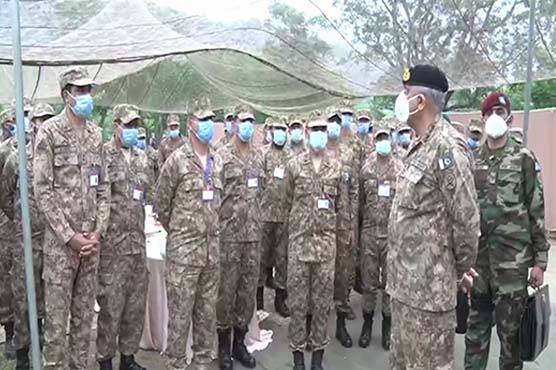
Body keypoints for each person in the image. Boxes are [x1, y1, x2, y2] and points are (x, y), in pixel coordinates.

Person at [388, 65, 480, 370]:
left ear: (421, 101)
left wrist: (455, 271)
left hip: (429, 298)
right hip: (404, 291)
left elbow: (466, 223)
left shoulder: (447, 149)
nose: (401, 99)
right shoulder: (418, 145)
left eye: (406, 93)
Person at [464, 92, 550, 370]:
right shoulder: (472, 158)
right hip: (478, 263)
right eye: (490, 113)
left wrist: (540, 261)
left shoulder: (523, 157)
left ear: (509, 117)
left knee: (510, 338)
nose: (495, 118)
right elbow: (463, 210)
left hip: (512, 264)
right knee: (475, 333)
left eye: (501, 112)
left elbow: (536, 207)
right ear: (483, 118)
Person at [33, 67, 111, 370]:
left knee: (83, 325)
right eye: (80, 91)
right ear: (67, 96)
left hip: (90, 247)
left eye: (89, 90)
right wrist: (70, 237)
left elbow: (104, 187)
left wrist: (97, 232)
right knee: (56, 328)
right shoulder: (49, 133)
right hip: (61, 251)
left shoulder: (96, 134)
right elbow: (43, 191)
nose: (86, 96)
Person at [155, 99, 220, 370]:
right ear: (190, 124)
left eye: (210, 120)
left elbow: (221, 202)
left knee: (206, 318)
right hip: (183, 257)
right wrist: (183, 235)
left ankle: (203, 364)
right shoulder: (176, 161)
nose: (207, 125)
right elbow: (161, 204)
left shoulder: (218, 160)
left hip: (211, 254)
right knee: (180, 320)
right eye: (202, 120)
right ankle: (176, 365)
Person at [284, 111, 345, 370]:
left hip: (325, 250)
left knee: (322, 306)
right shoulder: (294, 165)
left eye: (324, 129)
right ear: (307, 134)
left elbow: (341, 207)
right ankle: (298, 358)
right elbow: (288, 201)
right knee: (297, 305)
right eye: (316, 130)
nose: (320, 134)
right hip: (299, 247)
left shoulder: (337, 168)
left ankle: (317, 358)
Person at [96, 104, 151, 370]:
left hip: (137, 246)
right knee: (110, 308)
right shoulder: (103, 156)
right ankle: (105, 360)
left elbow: (147, 196)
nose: (131, 130)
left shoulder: (143, 158)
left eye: (135, 126)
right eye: (127, 125)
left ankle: (128, 359)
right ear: (115, 126)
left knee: (134, 307)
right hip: (112, 249)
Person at [0, 103, 54, 368]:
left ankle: (45, 343)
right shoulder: (17, 157)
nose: (42, 124)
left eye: (48, 119)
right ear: (31, 124)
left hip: (53, 241)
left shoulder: (58, 157)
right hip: (25, 242)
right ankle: (22, 353)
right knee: (22, 298)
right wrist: (22, 221)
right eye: (38, 119)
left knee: (48, 297)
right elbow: (5, 196)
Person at [215, 106, 264, 370]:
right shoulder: (221, 157)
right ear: (233, 124)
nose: (247, 126)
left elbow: (263, 194)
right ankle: (223, 347)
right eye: (243, 121)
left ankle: (239, 344)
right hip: (229, 238)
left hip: (253, 237)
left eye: (251, 122)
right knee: (226, 292)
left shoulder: (258, 157)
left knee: (246, 293)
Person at [358, 121, 404, 351]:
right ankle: (367, 325)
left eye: (387, 137)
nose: (383, 142)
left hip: (392, 236)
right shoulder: (365, 168)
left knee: (389, 284)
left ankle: (387, 328)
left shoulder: (400, 168)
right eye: (380, 138)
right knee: (368, 283)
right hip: (368, 233)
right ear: (375, 140)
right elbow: (360, 203)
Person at [325, 106, 358, 348]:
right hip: (320, 226)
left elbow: (354, 192)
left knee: (343, 274)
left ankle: (340, 325)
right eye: (331, 121)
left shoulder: (348, 154)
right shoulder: (315, 152)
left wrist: (351, 225)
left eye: (338, 121)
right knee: (320, 276)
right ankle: (315, 326)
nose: (335, 125)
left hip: (343, 223)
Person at [257, 117, 290, 317]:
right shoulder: (262, 155)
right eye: (276, 129)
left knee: (282, 259)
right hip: (264, 216)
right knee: (261, 258)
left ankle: (280, 299)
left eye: (282, 129)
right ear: (270, 132)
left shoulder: (291, 157)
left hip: (284, 216)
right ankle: (258, 300)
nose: (279, 133)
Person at [0, 107, 18, 360]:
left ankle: (34, 328)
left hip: (33, 230)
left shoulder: (38, 149)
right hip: (6, 225)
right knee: (6, 281)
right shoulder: (4, 152)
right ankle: (10, 332)